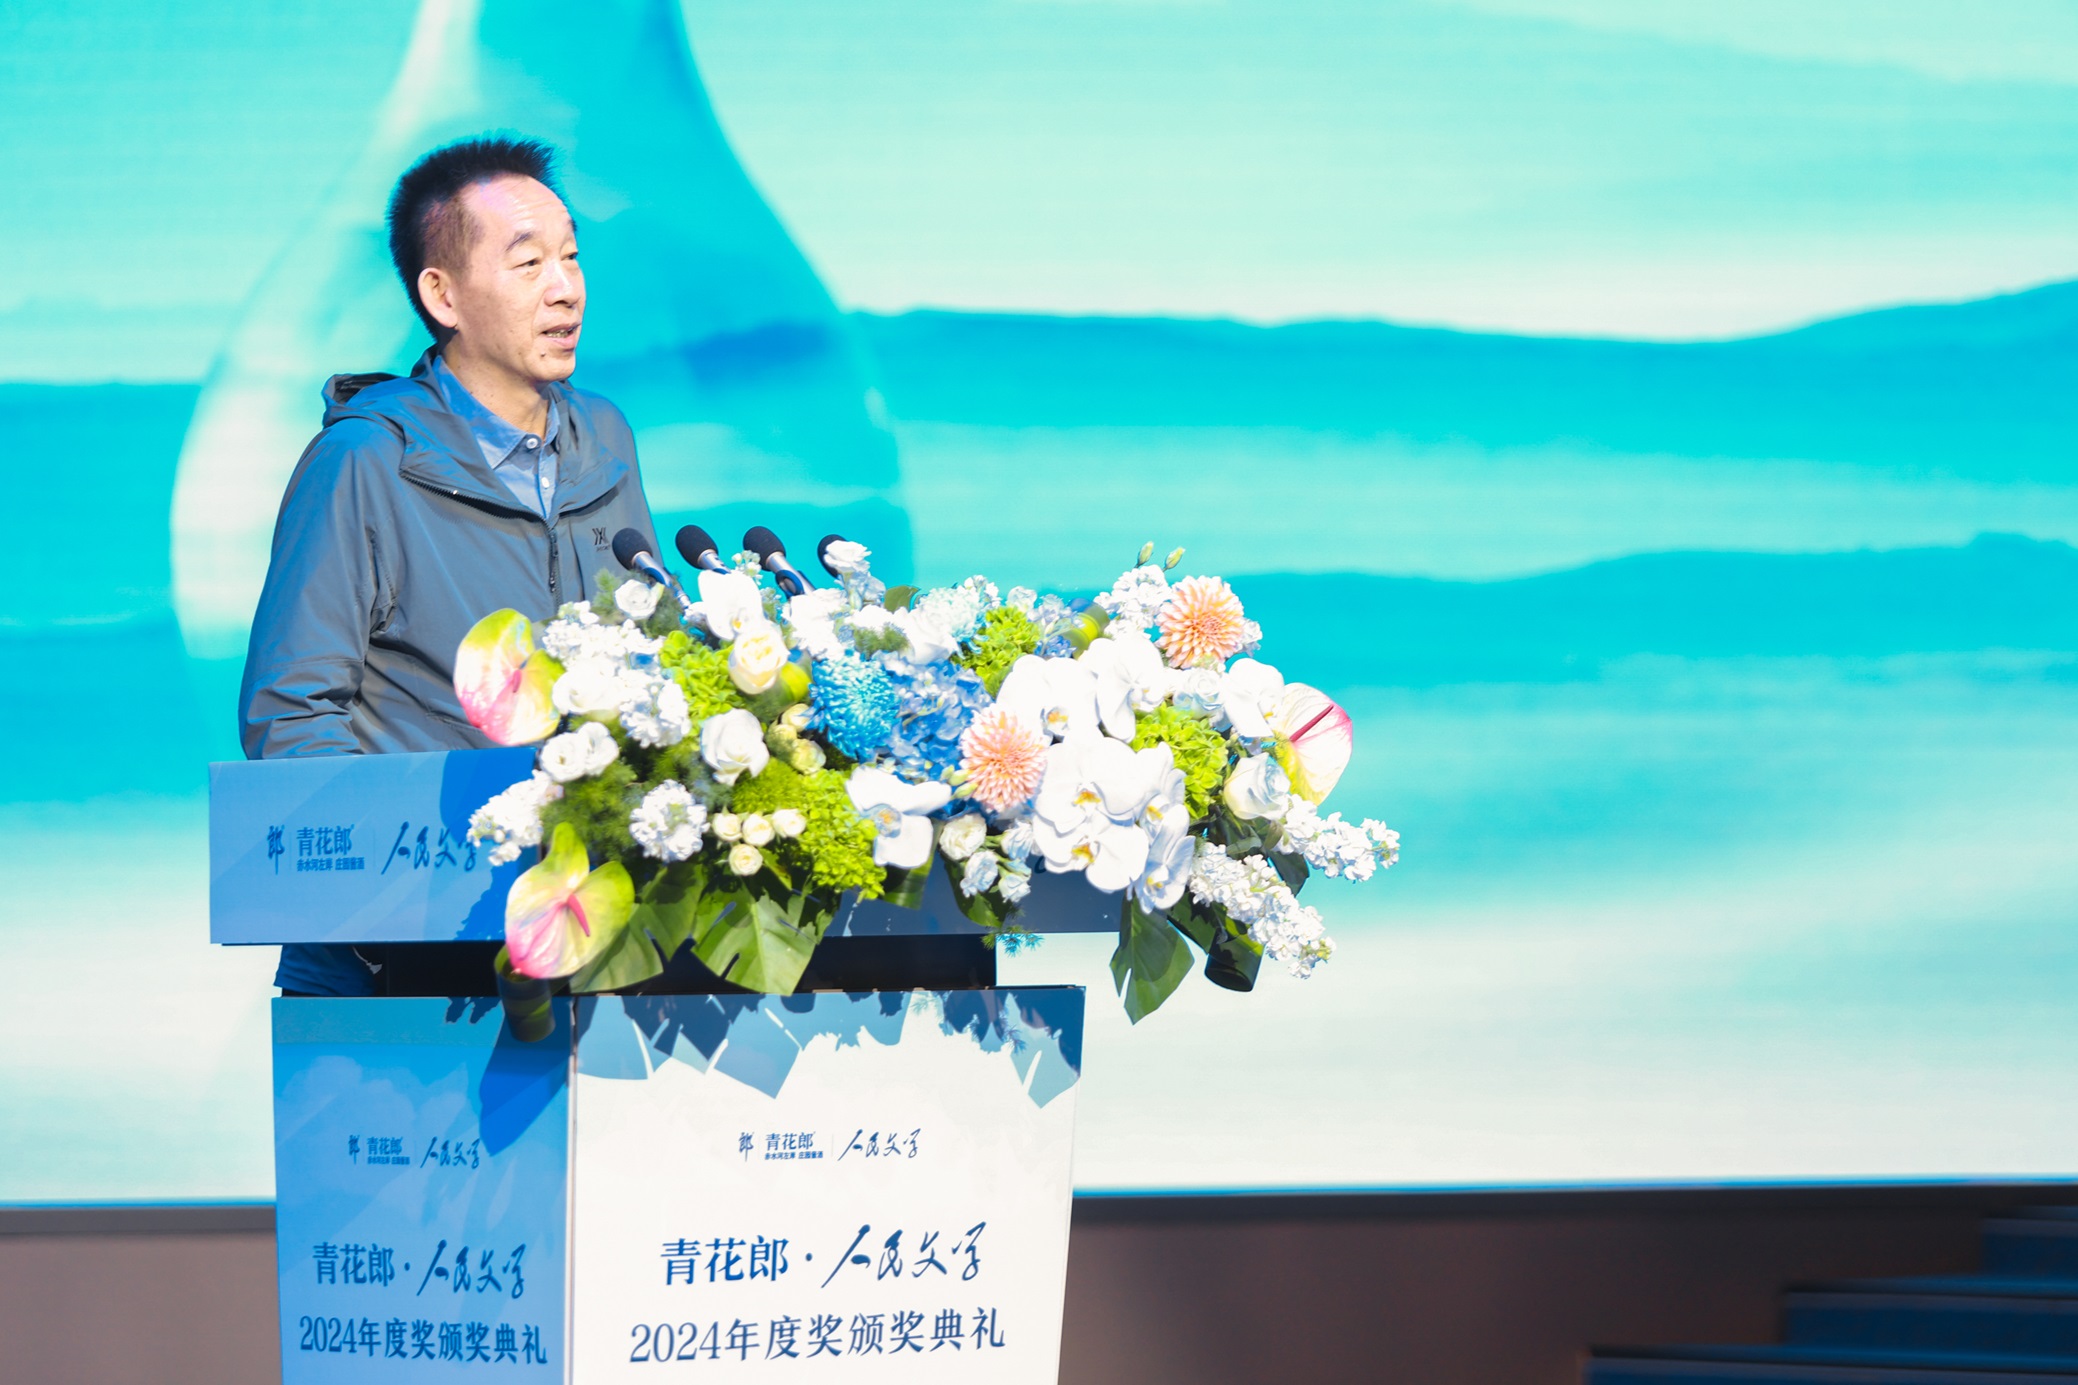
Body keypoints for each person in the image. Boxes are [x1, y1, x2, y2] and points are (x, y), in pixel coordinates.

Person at [240, 135, 663, 998]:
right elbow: (291, 714)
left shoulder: (605, 439)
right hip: (404, 960)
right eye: (529, 262)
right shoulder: (366, 462)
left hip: (578, 937)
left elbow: (651, 662)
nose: (565, 287)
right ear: (442, 294)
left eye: (572, 256)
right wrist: (388, 907)